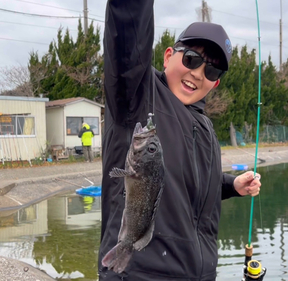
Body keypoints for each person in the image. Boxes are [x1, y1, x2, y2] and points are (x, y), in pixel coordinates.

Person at [99, 1, 262, 280]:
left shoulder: (206, 127)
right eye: (191, 59)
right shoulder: (137, 94)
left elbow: (186, 183)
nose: (198, 73)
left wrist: (231, 185)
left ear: (216, 83)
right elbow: (127, 37)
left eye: (211, 71)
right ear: (168, 56)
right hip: (140, 274)